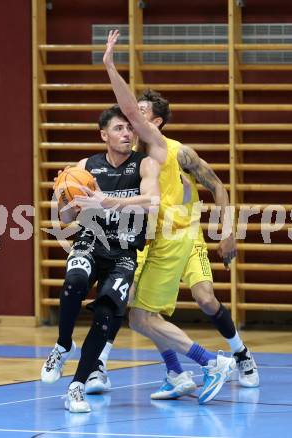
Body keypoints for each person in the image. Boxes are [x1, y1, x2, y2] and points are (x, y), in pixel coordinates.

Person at [92, 29, 252, 405]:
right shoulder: (132, 154)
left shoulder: (164, 147)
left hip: (177, 235)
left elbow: (128, 108)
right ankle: (177, 372)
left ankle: (219, 361)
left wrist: (110, 66)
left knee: (175, 306)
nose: (132, 122)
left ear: (155, 123)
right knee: (135, 311)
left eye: (141, 117)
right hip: (152, 237)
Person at [40, 104, 161, 413]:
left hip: (123, 252)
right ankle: (63, 344)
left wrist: (110, 201)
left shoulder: (144, 164)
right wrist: (66, 193)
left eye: (130, 128)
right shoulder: (85, 166)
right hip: (92, 241)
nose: (127, 133)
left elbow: (152, 200)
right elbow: (68, 215)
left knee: (107, 313)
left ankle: (77, 386)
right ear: (104, 135)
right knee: (75, 280)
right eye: (119, 128)